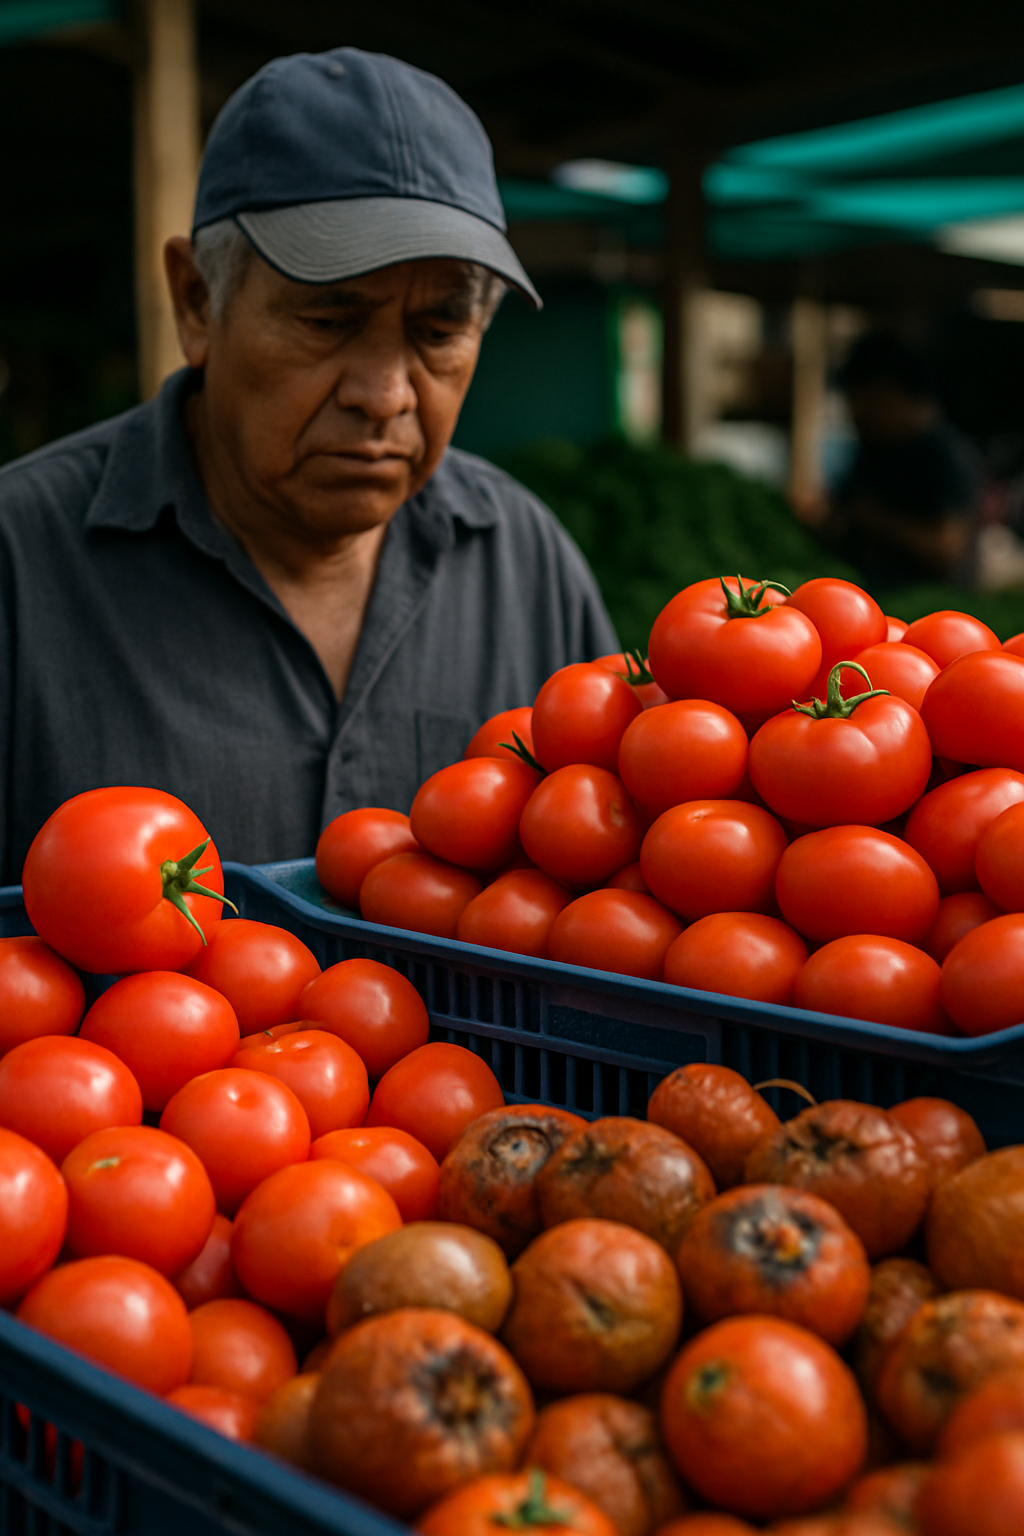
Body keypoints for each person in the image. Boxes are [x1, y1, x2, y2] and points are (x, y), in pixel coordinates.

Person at [0, 47, 617, 883]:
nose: (387, 393)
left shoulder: (525, 563)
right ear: (197, 302)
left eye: (439, 331)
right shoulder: (20, 565)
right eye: (327, 322)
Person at [821, 330, 979, 589]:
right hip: (866, 599)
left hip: (930, 601)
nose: (857, 414)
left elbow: (945, 550)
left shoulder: (945, 456)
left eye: (867, 401)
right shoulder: (873, 448)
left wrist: (875, 519)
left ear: (897, 394)